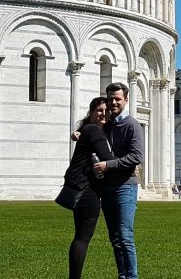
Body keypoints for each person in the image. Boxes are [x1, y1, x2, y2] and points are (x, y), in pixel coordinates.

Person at [93, 83, 143, 279]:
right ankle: (123, 276)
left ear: (126, 100)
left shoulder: (132, 125)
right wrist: (79, 134)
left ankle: (131, 277)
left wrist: (108, 165)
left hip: (125, 186)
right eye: (111, 98)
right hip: (108, 187)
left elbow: (136, 157)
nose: (114, 102)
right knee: (115, 238)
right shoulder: (108, 125)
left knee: (125, 236)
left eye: (118, 99)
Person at [64, 96, 118, 279]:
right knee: (83, 238)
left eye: (106, 111)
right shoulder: (94, 130)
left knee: (80, 236)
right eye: (100, 110)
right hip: (87, 191)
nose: (104, 114)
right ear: (92, 112)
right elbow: (107, 156)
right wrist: (129, 163)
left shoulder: (88, 129)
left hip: (79, 188)